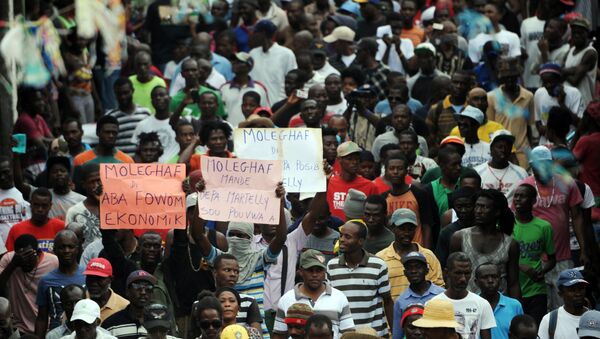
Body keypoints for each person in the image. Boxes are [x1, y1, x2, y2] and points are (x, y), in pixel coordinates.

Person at [520, 145, 588, 309]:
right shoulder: (525, 187)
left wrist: (584, 249)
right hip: (535, 259)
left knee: (565, 304)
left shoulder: (566, 183)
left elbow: (577, 217)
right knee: (542, 307)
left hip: (562, 256)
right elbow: (518, 220)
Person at [327, 220, 393, 337]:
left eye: (348, 237)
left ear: (360, 241)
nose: (342, 239)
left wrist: (394, 333)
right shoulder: (332, 266)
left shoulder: (378, 265)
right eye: (341, 235)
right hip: (345, 336)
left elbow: (388, 302)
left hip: (374, 335)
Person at [449, 189, 520, 297]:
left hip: (498, 305)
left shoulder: (510, 244)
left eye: (484, 207)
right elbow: (452, 275)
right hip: (467, 302)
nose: (478, 211)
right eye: (477, 206)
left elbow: (513, 283)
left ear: (497, 212)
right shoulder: (459, 238)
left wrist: (516, 308)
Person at [273, 250, 355, 339]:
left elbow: (348, 334)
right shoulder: (286, 299)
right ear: (300, 271)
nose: (315, 274)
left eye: (319, 270)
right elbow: (278, 335)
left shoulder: (339, 297)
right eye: (310, 270)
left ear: (324, 272)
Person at [512, 183, 556, 324]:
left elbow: (552, 259)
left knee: (534, 328)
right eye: (516, 196)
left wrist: (541, 271)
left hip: (536, 289)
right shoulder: (506, 224)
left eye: (522, 196)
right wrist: (521, 266)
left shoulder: (544, 227)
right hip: (512, 288)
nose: (517, 199)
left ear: (533, 201)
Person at [377, 208, 443, 300]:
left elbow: (439, 288)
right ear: (392, 228)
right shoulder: (381, 258)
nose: (406, 233)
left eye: (410, 229)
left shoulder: (428, 256)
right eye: (402, 229)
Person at [0, 234, 58, 334]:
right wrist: (13, 264)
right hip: (19, 327)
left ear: (38, 252)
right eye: (21, 258)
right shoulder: (9, 260)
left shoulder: (53, 262)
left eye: (29, 257)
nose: (25, 261)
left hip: (46, 326)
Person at [431, 252, 496, 339]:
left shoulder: (482, 304)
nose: (463, 279)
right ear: (446, 273)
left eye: (467, 273)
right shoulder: (433, 304)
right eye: (458, 273)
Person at [35, 230, 85, 337]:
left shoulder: (88, 276)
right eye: (62, 247)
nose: (66, 251)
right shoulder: (45, 281)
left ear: (77, 249)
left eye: (71, 247)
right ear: (54, 250)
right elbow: (42, 318)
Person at [487, 57, 535, 168]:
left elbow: (529, 126)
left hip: (522, 152)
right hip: (500, 152)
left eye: (512, 77)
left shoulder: (528, 96)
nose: (509, 81)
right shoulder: (492, 97)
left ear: (517, 77)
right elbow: (490, 127)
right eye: (506, 78)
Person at [382, 153, 433, 247]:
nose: (395, 172)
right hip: (392, 252)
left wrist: (426, 252)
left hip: (416, 251)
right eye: (391, 168)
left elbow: (427, 226)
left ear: (406, 171)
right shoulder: (384, 198)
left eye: (400, 168)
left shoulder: (419, 194)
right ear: (386, 171)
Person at [392, 251, 445, 339]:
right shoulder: (401, 301)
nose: (413, 271)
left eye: (418, 267)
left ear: (427, 270)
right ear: (405, 273)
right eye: (409, 268)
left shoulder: (442, 295)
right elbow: (398, 335)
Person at [326, 141, 378, 221]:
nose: (354, 162)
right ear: (339, 160)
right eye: (349, 159)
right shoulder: (329, 183)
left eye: (357, 159)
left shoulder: (370, 186)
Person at [249, 20, 297, 104]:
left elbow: (292, 82)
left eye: (255, 32)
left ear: (263, 33)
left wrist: (280, 103)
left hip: (276, 106)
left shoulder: (286, 54)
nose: (251, 36)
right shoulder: (253, 54)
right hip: (255, 106)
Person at [533, 63, 584, 143]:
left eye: (551, 82)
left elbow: (580, 124)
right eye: (545, 83)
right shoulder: (539, 94)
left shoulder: (574, 94)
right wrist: (553, 131)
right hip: (546, 146)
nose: (548, 86)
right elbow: (538, 123)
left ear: (560, 80)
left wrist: (562, 104)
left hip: (569, 144)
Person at [102, 271, 160, 339]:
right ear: (127, 291)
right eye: (137, 287)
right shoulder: (111, 324)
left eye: (148, 288)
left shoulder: (159, 322)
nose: (143, 292)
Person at [474, 130, 527, 204]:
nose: (503, 150)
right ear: (491, 149)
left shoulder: (521, 173)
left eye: (507, 147)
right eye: (499, 147)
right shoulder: (477, 172)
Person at [212, 254, 262, 332]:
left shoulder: (248, 301)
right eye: (227, 270)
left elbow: (257, 335)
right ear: (215, 273)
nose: (233, 274)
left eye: (236, 271)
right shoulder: (201, 303)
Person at [5, 188, 64, 252]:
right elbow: (8, 258)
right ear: (30, 204)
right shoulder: (16, 229)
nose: (40, 209)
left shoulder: (61, 227)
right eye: (36, 205)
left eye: (44, 206)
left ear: (50, 206)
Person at [105, 77, 152, 157]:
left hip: (141, 164)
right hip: (120, 163)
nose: (123, 97)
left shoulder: (145, 113)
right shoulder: (110, 117)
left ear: (132, 91)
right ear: (115, 94)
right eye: (119, 94)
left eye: (126, 93)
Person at [475, 263, 524, 339]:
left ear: (500, 281)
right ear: (476, 282)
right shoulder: (471, 304)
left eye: (494, 277)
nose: (490, 281)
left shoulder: (514, 305)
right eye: (485, 277)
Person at [130, 86, 178, 163]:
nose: (158, 98)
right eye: (155, 96)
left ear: (170, 98)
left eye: (162, 95)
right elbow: (137, 153)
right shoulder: (142, 125)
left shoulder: (180, 122)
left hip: (175, 170)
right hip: (150, 172)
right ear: (152, 102)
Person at [220, 52, 269, 126]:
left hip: (252, 131)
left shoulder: (259, 88)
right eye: (234, 61)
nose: (234, 63)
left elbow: (265, 113)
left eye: (239, 62)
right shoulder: (224, 88)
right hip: (229, 132)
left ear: (249, 66)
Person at [538, 269, 589, 339]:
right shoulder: (549, 320)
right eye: (572, 290)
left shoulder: (596, 318)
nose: (578, 293)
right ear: (561, 294)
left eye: (581, 288)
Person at [435, 186, 477, 267]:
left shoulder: (483, 229)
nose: (463, 210)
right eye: (459, 207)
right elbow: (441, 263)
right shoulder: (447, 232)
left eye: (468, 206)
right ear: (454, 208)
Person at [426, 71, 472, 145]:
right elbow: (430, 135)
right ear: (450, 84)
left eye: (463, 83)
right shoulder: (437, 109)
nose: (458, 86)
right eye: (455, 82)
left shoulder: (472, 108)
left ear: (469, 87)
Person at [66, 163, 102, 249]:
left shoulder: (114, 207)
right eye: (92, 182)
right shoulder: (74, 211)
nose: (96, 185)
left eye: (99, 181)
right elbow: (69, 240)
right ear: (84, 184)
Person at [563, 18, 597, 107]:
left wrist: (563, 72)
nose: (577, 35)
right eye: (574, 32)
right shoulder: (570, 50)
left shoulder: (590, 52)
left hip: (583, 101)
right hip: (567, 100)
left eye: (580, 32)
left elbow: (575, 80)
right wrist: (572, 70)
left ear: (587, 34)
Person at [0, 156, 30, 248]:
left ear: (12, 170)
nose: (2, 177)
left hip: (23, 247)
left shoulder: (23, 192)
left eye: (6, 172)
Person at [573, 100, 600, 202]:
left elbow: (569, 161)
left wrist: (577, 133)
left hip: (589, 196)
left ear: (588, 120)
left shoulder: (586, 141)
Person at [408, 43, 449, 107]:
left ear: (434, 58)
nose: (423, 60)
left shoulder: (445, 79)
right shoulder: (411, 82)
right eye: (420, 56)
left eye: (427, 56)